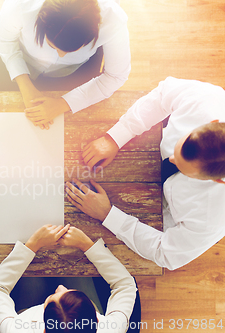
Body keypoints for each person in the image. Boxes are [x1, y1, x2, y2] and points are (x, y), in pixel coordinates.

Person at [68, 77, 225, 270]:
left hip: (164, 217)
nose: (173, 160)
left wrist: (107, 215)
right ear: (213, 121)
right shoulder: (206, 99)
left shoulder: (212, 216)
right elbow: (163, 95)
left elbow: (166, 253)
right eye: (179, 147)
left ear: (219, 181)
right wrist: (116, 137)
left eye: (185, 170)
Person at [0, 0, 130, 129]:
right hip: (21, 60)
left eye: (72, 50)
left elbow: (116, 76)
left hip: (73, 73)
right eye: (51, 46)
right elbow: (4, 41)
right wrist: (24, 85)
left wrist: (62, 104)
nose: (61, 55)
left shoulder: (113, 19)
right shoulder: (20, 5)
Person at [0, 224, 137, 333]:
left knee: (33, 272)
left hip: (25, 312)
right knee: (74, 263)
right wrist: (86, 245)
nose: (60, 287)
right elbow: (125, 285)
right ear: (97, 321)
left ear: (45, 328)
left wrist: (33, 245)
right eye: (67, 291)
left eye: (52, 297)